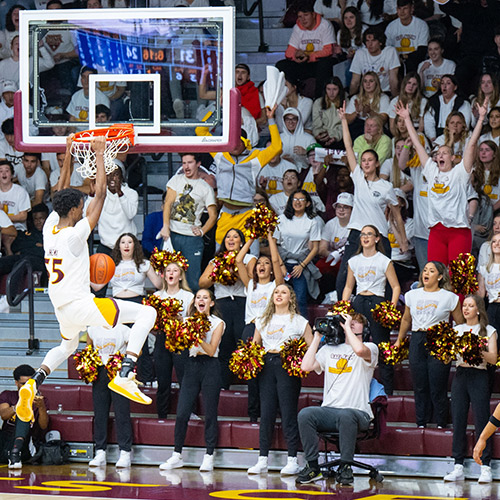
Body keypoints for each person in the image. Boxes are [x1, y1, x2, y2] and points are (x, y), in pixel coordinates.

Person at [14, 136, 157, 427]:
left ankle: (34, 382)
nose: (83, 208)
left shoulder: (50, 228)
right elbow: (100, 194)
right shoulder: (74, 235)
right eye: (81, 206)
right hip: (80, 306)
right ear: (74, 211)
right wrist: (101, 155)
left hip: (61, 308)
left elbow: (60, 189)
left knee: (67, 347)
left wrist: (68, 152)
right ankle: (126, 372)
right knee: (148, 313)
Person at [397, 97, 488, 265]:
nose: (440, 155)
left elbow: (472, 145)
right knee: (435, 274)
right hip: (436, 231)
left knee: (461, 276)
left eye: (445, 153)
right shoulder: (431, 171)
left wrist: (481, 118)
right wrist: (407, 118)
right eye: (438, 153)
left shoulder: (460, 172)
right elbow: (417, 144)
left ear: (453, 158)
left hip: (459, 231)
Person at [296, 312, 378, 485]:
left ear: (365, 329)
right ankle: (313, 466)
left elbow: (359, 350)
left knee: (346, 415)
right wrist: (317, 337)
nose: (351, 323)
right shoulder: (329, 350)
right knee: (305, 414)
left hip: (358, 413)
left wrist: (347, 327)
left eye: (356, 322)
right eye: (349, 321)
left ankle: (345, 466)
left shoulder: (370, 347)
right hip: (330, 411)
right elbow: (306, 366)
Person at [335, 102, 407, 298]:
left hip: (379, 235)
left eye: (369, 160)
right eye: (363, 160)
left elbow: (396, 215)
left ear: (377, 164)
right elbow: (348, 146)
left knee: (384, 280)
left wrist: (403, 241)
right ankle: (344, 312)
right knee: (343, 279)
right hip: (356, 233)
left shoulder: (386, 186)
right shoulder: (358, 178)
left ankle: (385, 313)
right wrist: (344, 121)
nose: (366, 163)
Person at [247, 284, 313, 476]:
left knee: (288, 413)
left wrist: (298, 359)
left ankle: (292, 459)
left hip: (287, 368)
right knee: (266, 413)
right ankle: (262, 459)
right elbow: (255, 347)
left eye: (283, 292)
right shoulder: (262, 320)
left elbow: (311, 347)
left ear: (291, 298)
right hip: (267, 366)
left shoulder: (300, 321)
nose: (279, 295)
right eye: (276, 292)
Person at [159, 288, 225, 473]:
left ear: (211, 303)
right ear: (194, 302)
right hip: (192, 365)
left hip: (211, 367)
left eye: (205, 297)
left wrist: (195, 336)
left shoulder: (218, 323)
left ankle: (209, 455)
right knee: (182, 412)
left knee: (210, 413)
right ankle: (177, 455)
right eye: (198, 297)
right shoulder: (187, 321)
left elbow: (211, 350)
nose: (201, 300)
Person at [395, 261, 463, 428]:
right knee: (419, 385)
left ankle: (441, 423)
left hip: (439, 340)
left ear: (440, 276)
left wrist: (454, 347)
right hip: (417, 338)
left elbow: (460, 324)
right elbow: (406, 319)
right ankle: (421, 422)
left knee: (438, 385)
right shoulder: (412, 295)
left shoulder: (450, 297)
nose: (426, 273)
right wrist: (399, 340)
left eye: (431, 271)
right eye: (425, 270)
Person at [443, 295, 497, 484]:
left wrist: (476, 349)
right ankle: (458, 465)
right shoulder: (457, 330)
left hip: (479, 376)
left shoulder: (489, 330)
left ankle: (485, 466)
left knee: (482, 420)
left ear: (478, 309)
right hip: (460, 376)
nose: (465, 309)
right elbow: (447, 357)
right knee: (458, 420)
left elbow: (493, 358)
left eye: (470, 305)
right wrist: (444, 351)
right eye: (464, 305)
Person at [342, 224, 400, 395]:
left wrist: (391, 308)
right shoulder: (354, 261)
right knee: (357, 344)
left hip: (377, 302)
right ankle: (357, 387)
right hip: (359, 302)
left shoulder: (384, 260)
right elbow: (348, 287)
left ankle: (387, 390)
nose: (365, 237)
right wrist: (343, 306)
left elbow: (396, 287)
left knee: (382, 345)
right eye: (362, 234)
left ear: (377, 238)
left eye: (369, 234)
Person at [199, 228, 256, 389]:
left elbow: (251, 283)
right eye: (228, 237)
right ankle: (223, 386)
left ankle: (250, 387)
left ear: (241, 242)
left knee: (244, 344)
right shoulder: (215, 260)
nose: (231, 239)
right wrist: (219, 272)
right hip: (222, 304)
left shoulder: (250, 259)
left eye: (235, 237)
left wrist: (236, 270)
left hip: (242, 304)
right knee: (223, 346)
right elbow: (202, 283)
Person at [237, 230, 285, 422]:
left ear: (271, 270)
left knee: (269, 373)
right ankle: (253, 415)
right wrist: (251, 238)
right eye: (259, 263)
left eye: (266, 264)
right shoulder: (250, 285)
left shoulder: (275, 285)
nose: (262, 266)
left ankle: (272, 412)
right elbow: (238, 260)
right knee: (252, 374)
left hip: (269, 330)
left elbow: (276, 261)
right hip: (250, 329)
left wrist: (270, 238)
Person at [159, 152, 217, 292]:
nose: (186, 166)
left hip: (192, 239)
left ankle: (192, 305)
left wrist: (202, 231)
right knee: (167, 275)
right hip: (172, 234)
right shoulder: (176, 180)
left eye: (190, 162)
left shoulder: (205, 188)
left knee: (192, 280)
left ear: (198, 164)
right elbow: (168, 204)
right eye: (184, 163)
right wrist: (166, 226)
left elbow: (213, 215)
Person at [87, 324, 134, 469]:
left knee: (122, 412)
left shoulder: (124, 329)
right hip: (100, 372)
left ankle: (125, 452)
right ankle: (100, 451)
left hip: (118, 371)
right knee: (100, 413)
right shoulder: (92, 328)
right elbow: (88, 349)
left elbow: (135, 350)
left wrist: (126, 364)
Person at [152, 255, 194, 419]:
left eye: (175, 270)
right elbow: (150, 324)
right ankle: (162, 416)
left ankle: (188, 413)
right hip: (162, 339)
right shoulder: (157, 296)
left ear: (181, 276)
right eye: (168, 270)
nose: (171, 273)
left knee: (184, 379)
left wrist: (180, 320)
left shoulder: (188, 296)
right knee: (163, 381)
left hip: (180, 340)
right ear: (164, 275)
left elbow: (194, 322)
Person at [274, 190, 321, 318]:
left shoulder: (312, 221)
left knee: (300, 299)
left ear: (307, 203)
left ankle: (303, 328)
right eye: (295, 199)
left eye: (301, 199)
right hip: (282, 262)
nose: (297, 202)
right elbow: (274, 244)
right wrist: (281, 265)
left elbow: (315, 248)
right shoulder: (281, 219)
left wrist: (302, 266)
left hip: (300, 264)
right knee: (279, 298)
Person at [276, 1, 336, 98]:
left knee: (325, 64)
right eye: (300, 16)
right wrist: (295, 56)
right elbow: (289, 52)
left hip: (319, 62)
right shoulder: (297, 27)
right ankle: (292, 95)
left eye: (306, 15)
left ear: (313, 15)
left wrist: (309, 56)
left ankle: (319, 99)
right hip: (303, 63)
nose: (303, 19)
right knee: (281, 65)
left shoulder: (325, 25)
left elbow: (328, 50)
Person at [0, 364, 49, 468]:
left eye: (29, 384)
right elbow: (3, 415)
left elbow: (44, 425)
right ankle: (13, 454)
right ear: (16, 383)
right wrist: (19, 405)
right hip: (6, 437)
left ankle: (16, 452)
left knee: (23, 415)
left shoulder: (40, 400)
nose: (26, 387)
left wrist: (41, 407)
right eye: (23, 384)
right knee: (21, 410)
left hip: (27, 440)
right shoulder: (7, 395)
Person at [349, 27, 400, 98]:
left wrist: (395, 99)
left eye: (373, 40)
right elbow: (355, 82)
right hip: (366, 94)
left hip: (384, 93)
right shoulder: (360, 53)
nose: (370, 44)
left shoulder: (390, 51)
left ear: (380, 42)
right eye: (367, 41)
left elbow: (393, 80)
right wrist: (350, 98)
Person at [423, 74, 472, 143]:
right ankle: (407, 147)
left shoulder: (463, 103)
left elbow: (464, 123)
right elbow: (429, 121)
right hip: (436, 137)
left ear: (455, 87)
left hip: (456, 137)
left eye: (448, 83)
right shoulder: (434, 101)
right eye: (442, 83)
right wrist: (432, 136)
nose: (444, 86)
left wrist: (453, 137)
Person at [385, 0, 429, 73]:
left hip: (415, 62)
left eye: (405, 8)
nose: (402, 12)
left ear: (412, 9)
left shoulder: (421, 25)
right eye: (399, 8)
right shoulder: (391, 26)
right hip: (396, 63)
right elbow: (387, 49)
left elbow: (422, 50)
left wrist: (404, 57)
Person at [312, 77, 344, 148]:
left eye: (334, 89)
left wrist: (335, 137)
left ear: (339, 90)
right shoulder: (318, 103)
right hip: (322, 137)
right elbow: (316, 125)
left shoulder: (345, 103)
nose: (331, 93)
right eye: (328, 89)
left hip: (340, 138)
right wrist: (319, 135)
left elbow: (343, 126)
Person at [0, 159, 30, 231]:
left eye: (7, 171)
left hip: (18, 229)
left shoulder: (21, 191)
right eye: (0, 171)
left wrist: (4, 219)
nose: (4, 174)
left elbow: (23, 216)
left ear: (12, 175)